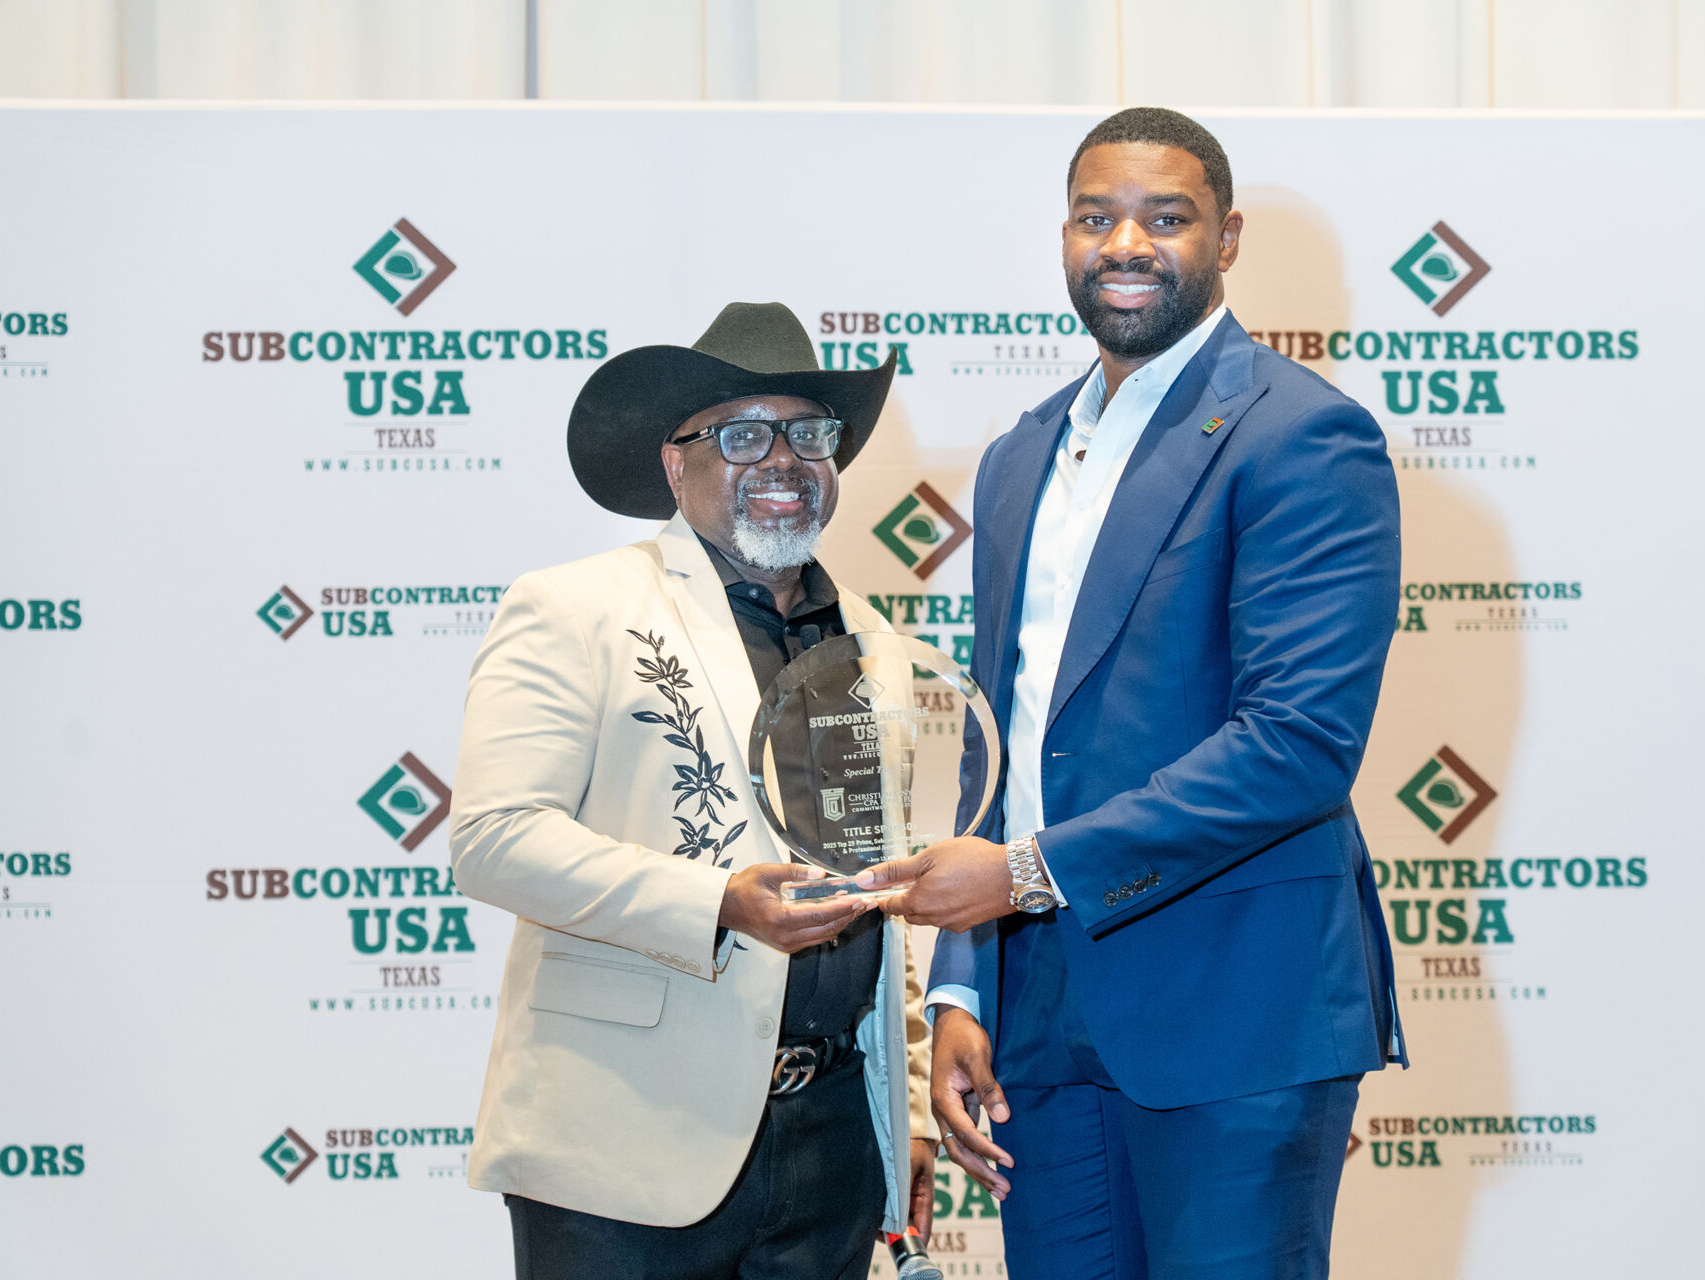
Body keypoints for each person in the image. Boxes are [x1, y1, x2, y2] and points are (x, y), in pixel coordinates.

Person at [859, 108, 1407, 1279]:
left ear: (1227, 238)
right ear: (1064, 234)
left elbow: (1299, 743)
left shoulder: (1303, 434)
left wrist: (1022, 873)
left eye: (1167, 218)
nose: (1126, 245)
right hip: (1040, 1019)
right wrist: (962, 983)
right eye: (1096, 216)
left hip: (1235, 1008)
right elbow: (1001, 747)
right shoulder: (1019, 456)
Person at [450, 301, 937, 1280]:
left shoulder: (876, 643)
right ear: (678, 466)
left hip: (836, 1142)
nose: (784, 460)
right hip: (625, 1141)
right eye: (743, 434)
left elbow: (881, 887)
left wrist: (909, 1105)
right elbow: (494, 837)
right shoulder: (576, 606)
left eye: (809, 433)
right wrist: (718, 901)